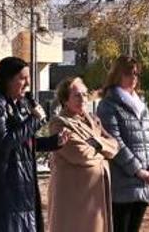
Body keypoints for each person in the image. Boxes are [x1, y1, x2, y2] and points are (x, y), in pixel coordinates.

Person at [0, 56, 71, 232]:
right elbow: (5, 141)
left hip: (26, 184)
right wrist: (34, 120)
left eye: (29, 78)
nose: (27, 84)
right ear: (7, 79)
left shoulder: (22, 104)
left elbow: (24, 143)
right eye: (22, 78)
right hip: (6, 185)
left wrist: (54, 142)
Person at [97, 56, 149, 232]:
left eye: (136, 73)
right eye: (128, 73)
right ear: (117, 74)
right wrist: (138, 170)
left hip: (145, 182)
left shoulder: (141, 106)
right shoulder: (108, 105)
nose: (133, 77)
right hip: (122, 183)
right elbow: (114, 142)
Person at [48, 76, 118, 232]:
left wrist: (98, 146)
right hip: (73, 198)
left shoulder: (93, 120)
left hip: (95, 198)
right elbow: (81, 153)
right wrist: (102, 152)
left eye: (85, 94)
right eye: (77, 95)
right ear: (65, 100)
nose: (83, 99)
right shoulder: (59, 123)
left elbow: (114, 147)